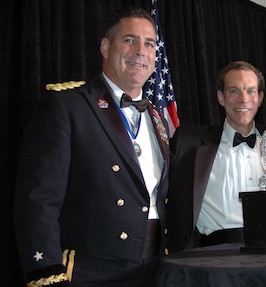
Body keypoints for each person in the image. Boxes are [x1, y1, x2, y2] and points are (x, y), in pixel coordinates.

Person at [14, 7, 170, 287]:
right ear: (106, 47)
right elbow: (39, 200)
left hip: (156, 268)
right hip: (92, 271)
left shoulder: (157, 117)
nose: (140, 50)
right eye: (129, 40)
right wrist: (46, 272)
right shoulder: (68, 106)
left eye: (149, 44)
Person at [165, 61, 266, 253]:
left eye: (251, 91)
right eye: (234, 91)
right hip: (214, 253)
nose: (243, 99)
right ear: (221, 97)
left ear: (260, 98)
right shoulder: (189, 143)